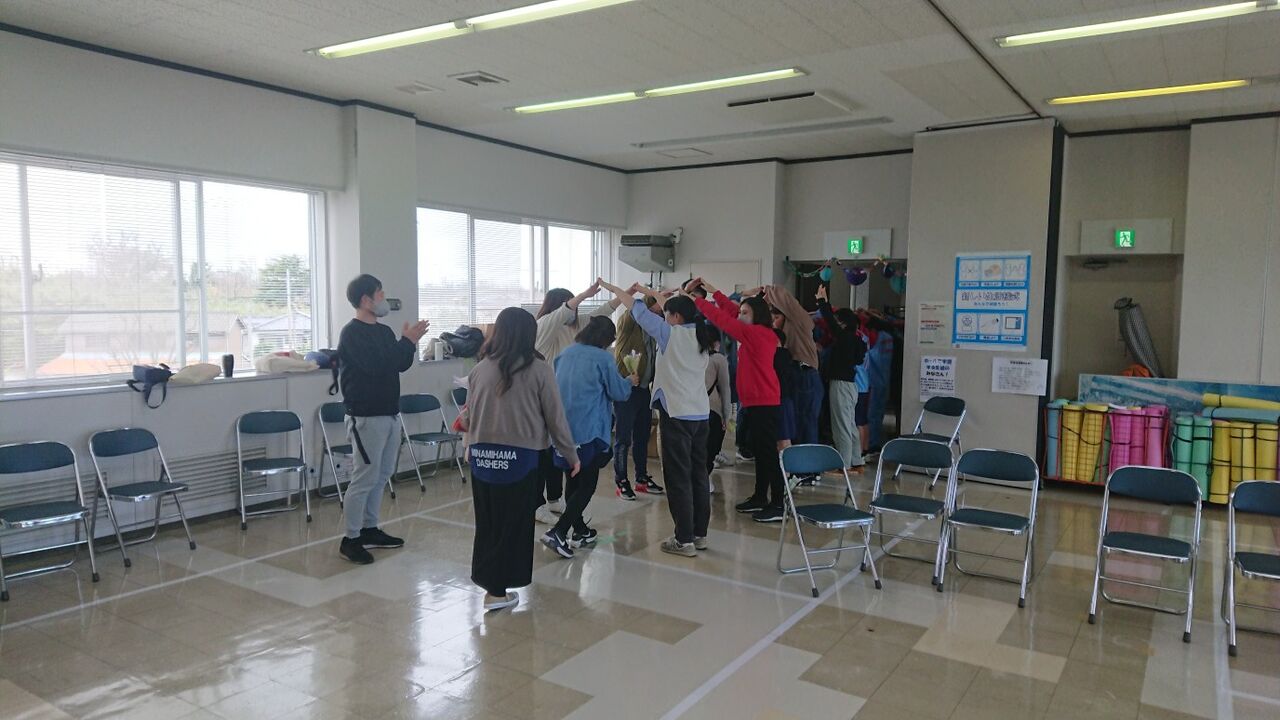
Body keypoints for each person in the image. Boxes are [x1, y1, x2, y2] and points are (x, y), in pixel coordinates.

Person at [456, 307, 579, 611]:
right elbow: (555, 417)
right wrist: (570, 453)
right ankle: (498, 591)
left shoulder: (480, 369)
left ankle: (491, 585)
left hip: (483, 458)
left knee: (489, 523)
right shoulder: (539, 370)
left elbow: (469, 416)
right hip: (521, 459)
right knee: (513, 525)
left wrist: (469, 445)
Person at [600, 278, 711, 557]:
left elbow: (636, 309)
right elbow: (667, 307)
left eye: (667, 314)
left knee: (677, 477)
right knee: (698, 474)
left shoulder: (669, 334)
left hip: (676, 414)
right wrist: (652, 293)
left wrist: (616, 290)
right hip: (700, 414)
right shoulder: (702, 334)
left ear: (675, 317)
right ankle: (699, 534)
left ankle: (683, 539)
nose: (663, 316)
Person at [336, 274, 429, 565]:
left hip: (389, 413)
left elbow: (399, 363)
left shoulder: (384, 332)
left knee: (382, 474)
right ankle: (351, 538)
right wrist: (407, 341)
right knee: (364, 477)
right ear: (366, 300)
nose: (383, 298)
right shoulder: (352, 333)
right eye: (380, 293)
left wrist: (408, 344)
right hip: (366, 417)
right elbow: (376, 366)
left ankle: (369, 528)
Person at [690, 280, 785, 524]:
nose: (740, 315)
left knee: (767, 454)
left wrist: (698, 302)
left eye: (745, 313)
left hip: (764, 403)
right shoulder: (756, 330)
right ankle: (760, 497)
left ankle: (777, 503)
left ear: (757, 316)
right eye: (741, 312)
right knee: (761, 453)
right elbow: (732, 314)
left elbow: (725, 321)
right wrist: (715, 293)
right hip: (755, 402)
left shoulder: (757, 334)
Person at [543, 316, 637, 558]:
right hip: (589, 430)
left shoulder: (565, 354)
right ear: (606, 338)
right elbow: (618, 392)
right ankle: (558, 531)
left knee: (572, 480)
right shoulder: (603, 358)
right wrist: (630, 381)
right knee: (587, 484)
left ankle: (580, 531)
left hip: (563, 431)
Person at [534, 284, 623, 523]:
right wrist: (583, 295)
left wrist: (625, 295)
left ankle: (554, 499)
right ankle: (537, 505)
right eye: (571, 305)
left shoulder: (575, 325)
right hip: (543, 399)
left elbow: (601, 314)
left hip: (562, 402)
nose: (575, 310)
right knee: (543, 455)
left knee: (557, 455)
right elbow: (561, 314)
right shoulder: (545, 325)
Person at [612, 296, 660, 500]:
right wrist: (647, 297)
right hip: (626, 389)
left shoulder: (652, 329)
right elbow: (631, 312)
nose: (659, 311)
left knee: (641, 436)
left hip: (643, 389)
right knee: (623, 438)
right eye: (655, 307)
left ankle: (641, 478)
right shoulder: (628, 324)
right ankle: (621, 480)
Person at [816, 285, 868, 470]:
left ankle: (844, 464)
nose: (835, 324)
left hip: (841, 385)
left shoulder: (845, 338)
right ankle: (856, 459)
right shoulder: (856, 340)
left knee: (841, 426)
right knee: (849, 424)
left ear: (844, 324)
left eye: (838, 321)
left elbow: (829, 320)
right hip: (851, 386)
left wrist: (822, 301)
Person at [765, 285, 822, 446]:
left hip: (805, 374)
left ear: (786, 315)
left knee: (806, 422)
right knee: (797, 422)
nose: (773, 322)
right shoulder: (783, 334)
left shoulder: (799, 321)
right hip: (797, 375)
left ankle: (808, 461)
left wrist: (767, 290)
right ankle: (799, 459)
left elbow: (786, 299)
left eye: (776, 317)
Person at [702, 322, 731, 493]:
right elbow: (725, 390)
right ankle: (703, 478)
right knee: (711, 449)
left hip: (691, 412)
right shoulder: (719, 359)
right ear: (716, 342)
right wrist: (726, 416)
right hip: (712, 412)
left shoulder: (690, 356)